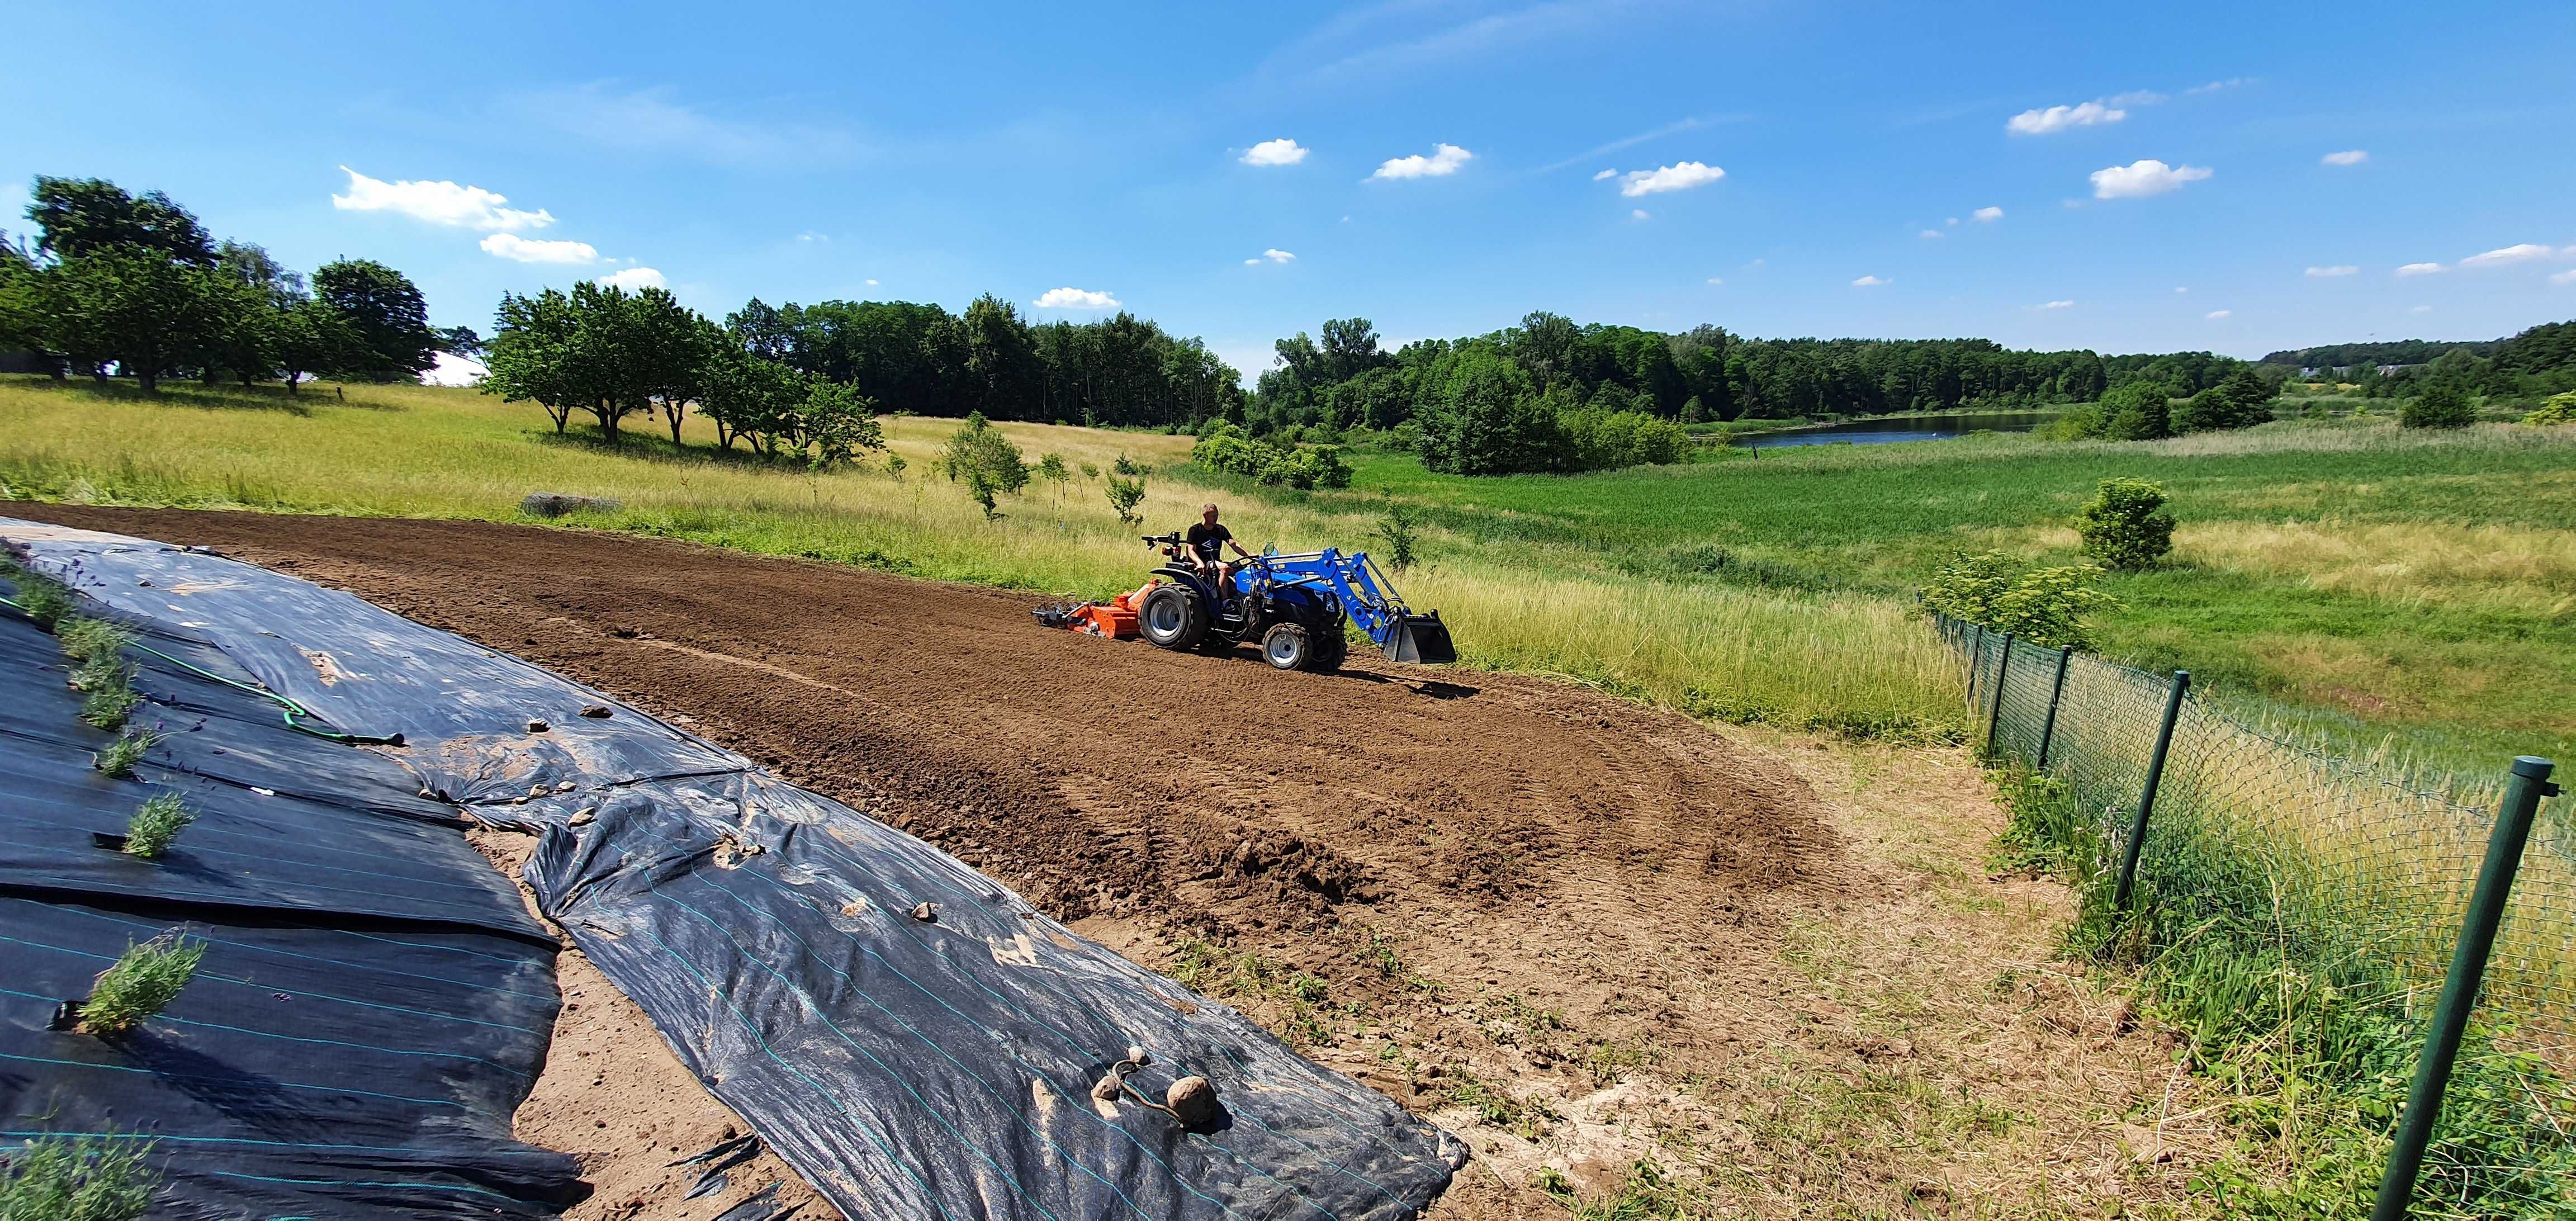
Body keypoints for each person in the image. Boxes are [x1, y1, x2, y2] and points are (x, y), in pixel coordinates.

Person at [1185, 503, 1252, 598]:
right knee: (1224, 568)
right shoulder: (1195, 530)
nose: (1216, 518)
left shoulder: (1221, 530)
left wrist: (1249, 555)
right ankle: (1225, 601)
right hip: (1205, 562)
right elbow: (1191, 551)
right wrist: (1199, 562)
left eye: (1217, 515)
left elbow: (1234, 544)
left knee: (1243, 569)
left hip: (1216, 562)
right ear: (1205, 516)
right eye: (1213, 516)